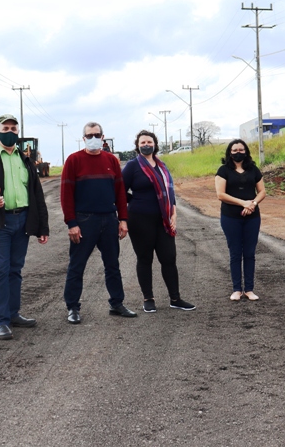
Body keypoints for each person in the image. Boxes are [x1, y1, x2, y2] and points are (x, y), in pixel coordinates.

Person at [0, 114, 49, 340]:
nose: (11, 132)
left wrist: (42, 227)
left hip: (21, 220)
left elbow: (36, 194)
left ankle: (13, 314)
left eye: (14, 128)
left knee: (15, 269)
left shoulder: (25, 160)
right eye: (6, 128)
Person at [60, 121, 137, 324]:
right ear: (84, 138)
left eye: (96, 135)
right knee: (77, 266)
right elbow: (66, 194)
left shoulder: (111, 160)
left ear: (103, 137)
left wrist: (123, 219)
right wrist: (72, 223)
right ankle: (73, 308)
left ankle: (117, 303)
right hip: (84, 220)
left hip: (109, 220)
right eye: (89, 136)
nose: (93, 139)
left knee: (112, 265)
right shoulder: (73, 160)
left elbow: (120, 193)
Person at [122, 130, 196, 313]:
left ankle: (175, 298)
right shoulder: (132, 166)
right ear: (137, 146)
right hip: (139, 220)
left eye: (149, 141)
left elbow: (170, 193)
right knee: (145, 258)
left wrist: (174, 213)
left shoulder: (162, 167)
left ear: (155, 144)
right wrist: (135, 203)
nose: (146, 144)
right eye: (142, 142)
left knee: (169, 258)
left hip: (163, 219)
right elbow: (120, 192)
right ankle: (148, 298)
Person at [215, 139, 266, 301]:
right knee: (236, 252)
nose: (238, 153)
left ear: (246, 152)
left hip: (252, 217)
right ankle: (237, 289)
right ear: (230, 152)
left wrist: (253, 203)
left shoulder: (253, 169)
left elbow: (262, 191)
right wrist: (243, 202)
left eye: (241, 150)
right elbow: (220, 195)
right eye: (235, 150)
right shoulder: (223, 170)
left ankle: (249, 289)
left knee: (250, 253)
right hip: (230, 217)